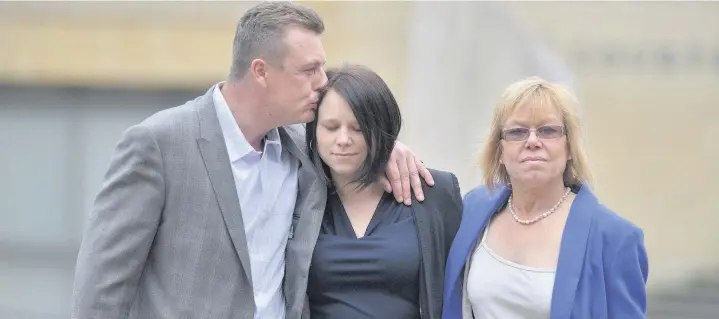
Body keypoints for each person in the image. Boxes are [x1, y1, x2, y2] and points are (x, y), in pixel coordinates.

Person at [70, 3, 434, 319]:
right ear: (260, 71)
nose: (323, 83)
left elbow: (351, 145)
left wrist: (386, 149)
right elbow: (100, 293)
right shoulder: (158, 145)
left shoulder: (304, 149)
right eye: (308, 71)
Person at [443, 77, 649, 319]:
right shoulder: (472, 210)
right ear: (500, 151)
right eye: (517, 132)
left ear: (570, 147)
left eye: (548, 130)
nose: (532, 141)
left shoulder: (615, 238)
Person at [297, 65, 462, 319]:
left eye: (358, 128)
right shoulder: (295, 197)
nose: (343, 139)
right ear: (314, 131)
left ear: (380, 129)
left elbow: (461, 291)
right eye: (331, 127)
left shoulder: (432, 193)